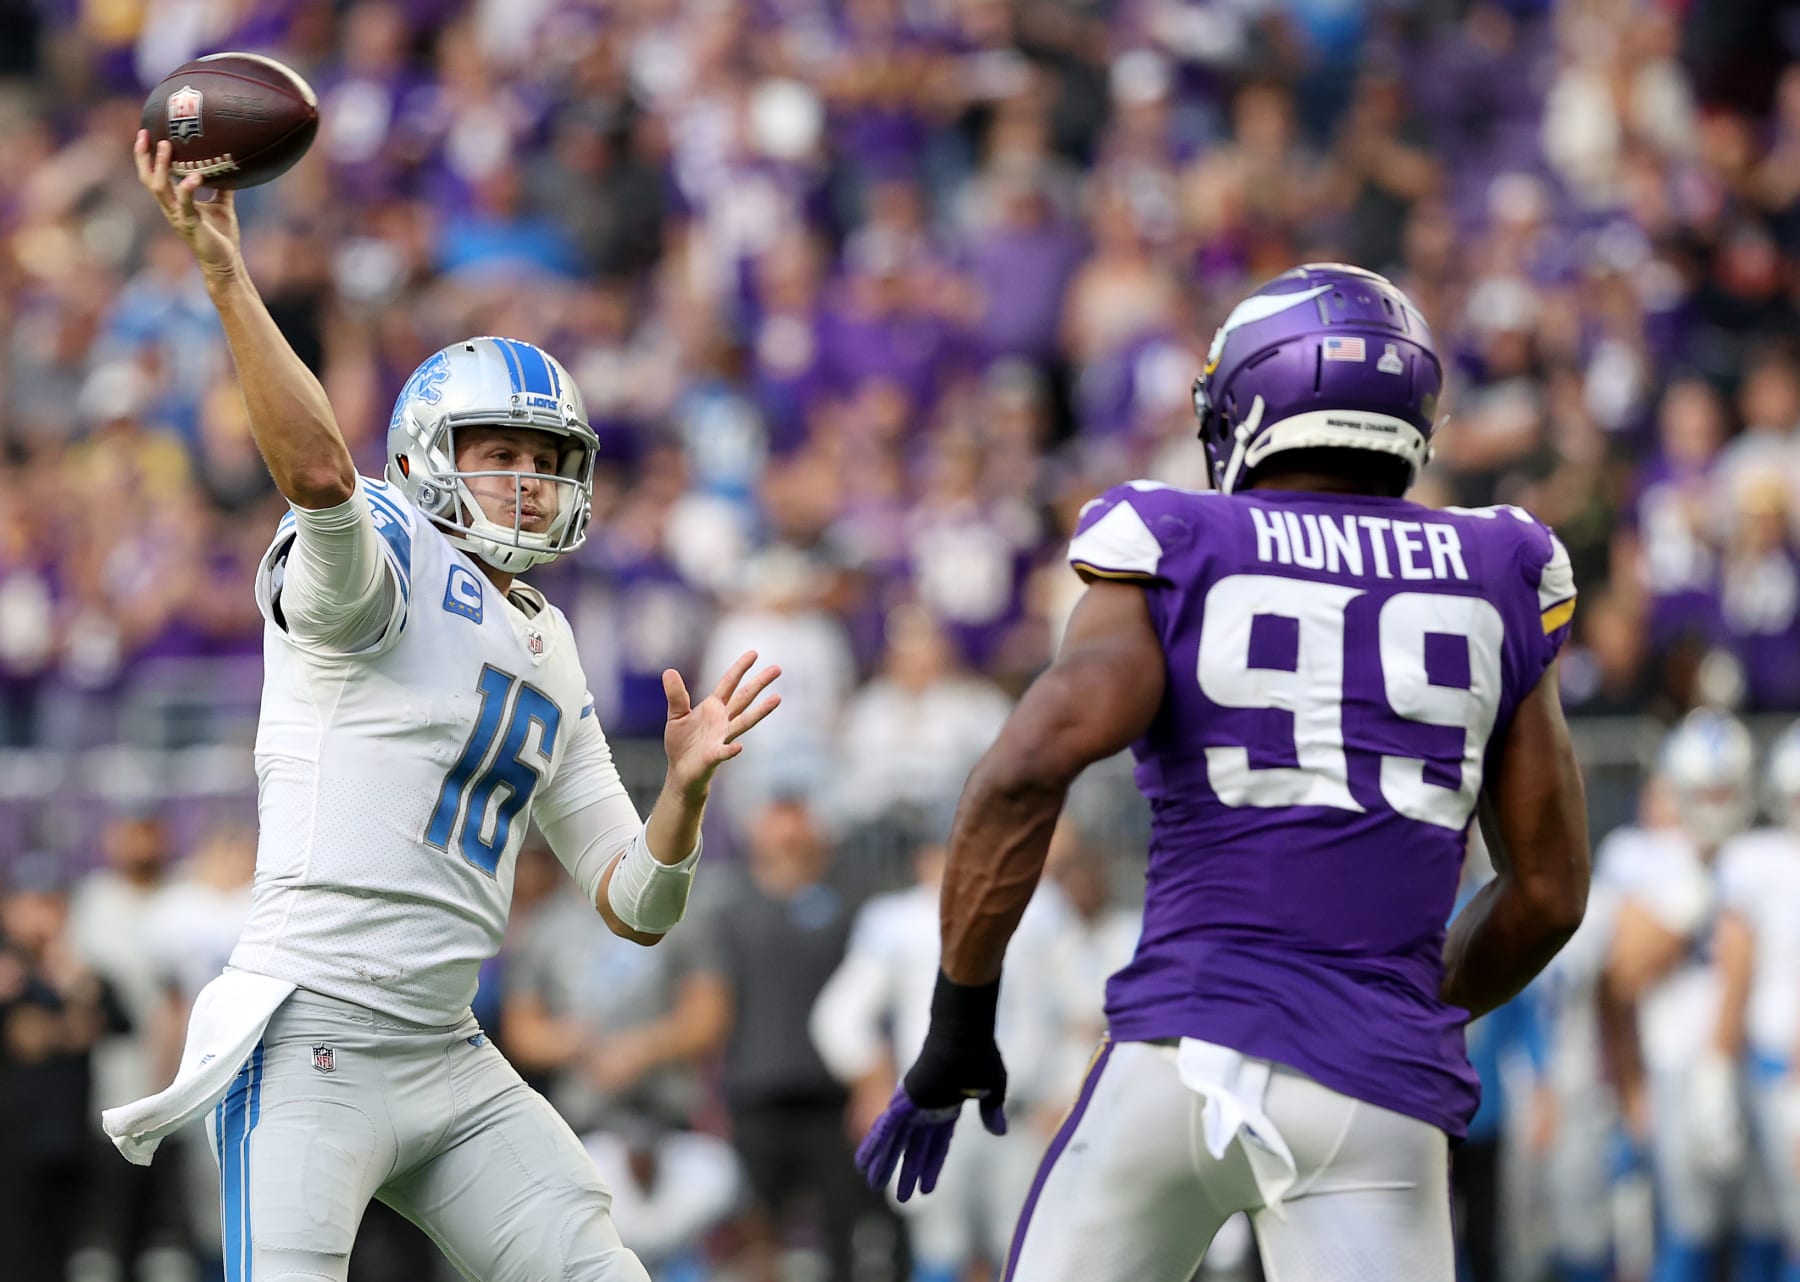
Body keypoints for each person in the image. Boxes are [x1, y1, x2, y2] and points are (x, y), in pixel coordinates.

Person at [103, 135, 781, 1282]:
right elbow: (317, 478)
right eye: (497, 450)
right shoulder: (387, 543)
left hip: (447, 1046)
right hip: (310, 1028)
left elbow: (636, 900)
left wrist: (683, 797)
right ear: (424, 459)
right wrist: (226, 273)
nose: (524, 478)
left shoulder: (550, 640)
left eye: (542, 456)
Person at [856, 262, 1592, 1281]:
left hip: (1180, 1056)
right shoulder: (1499, 564)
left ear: (1252, 398)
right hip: (1378, 1092)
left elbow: (1026, 767)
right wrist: (1393, 1003)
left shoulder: (1180, 537)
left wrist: (958, 1024)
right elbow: (1549, 892)